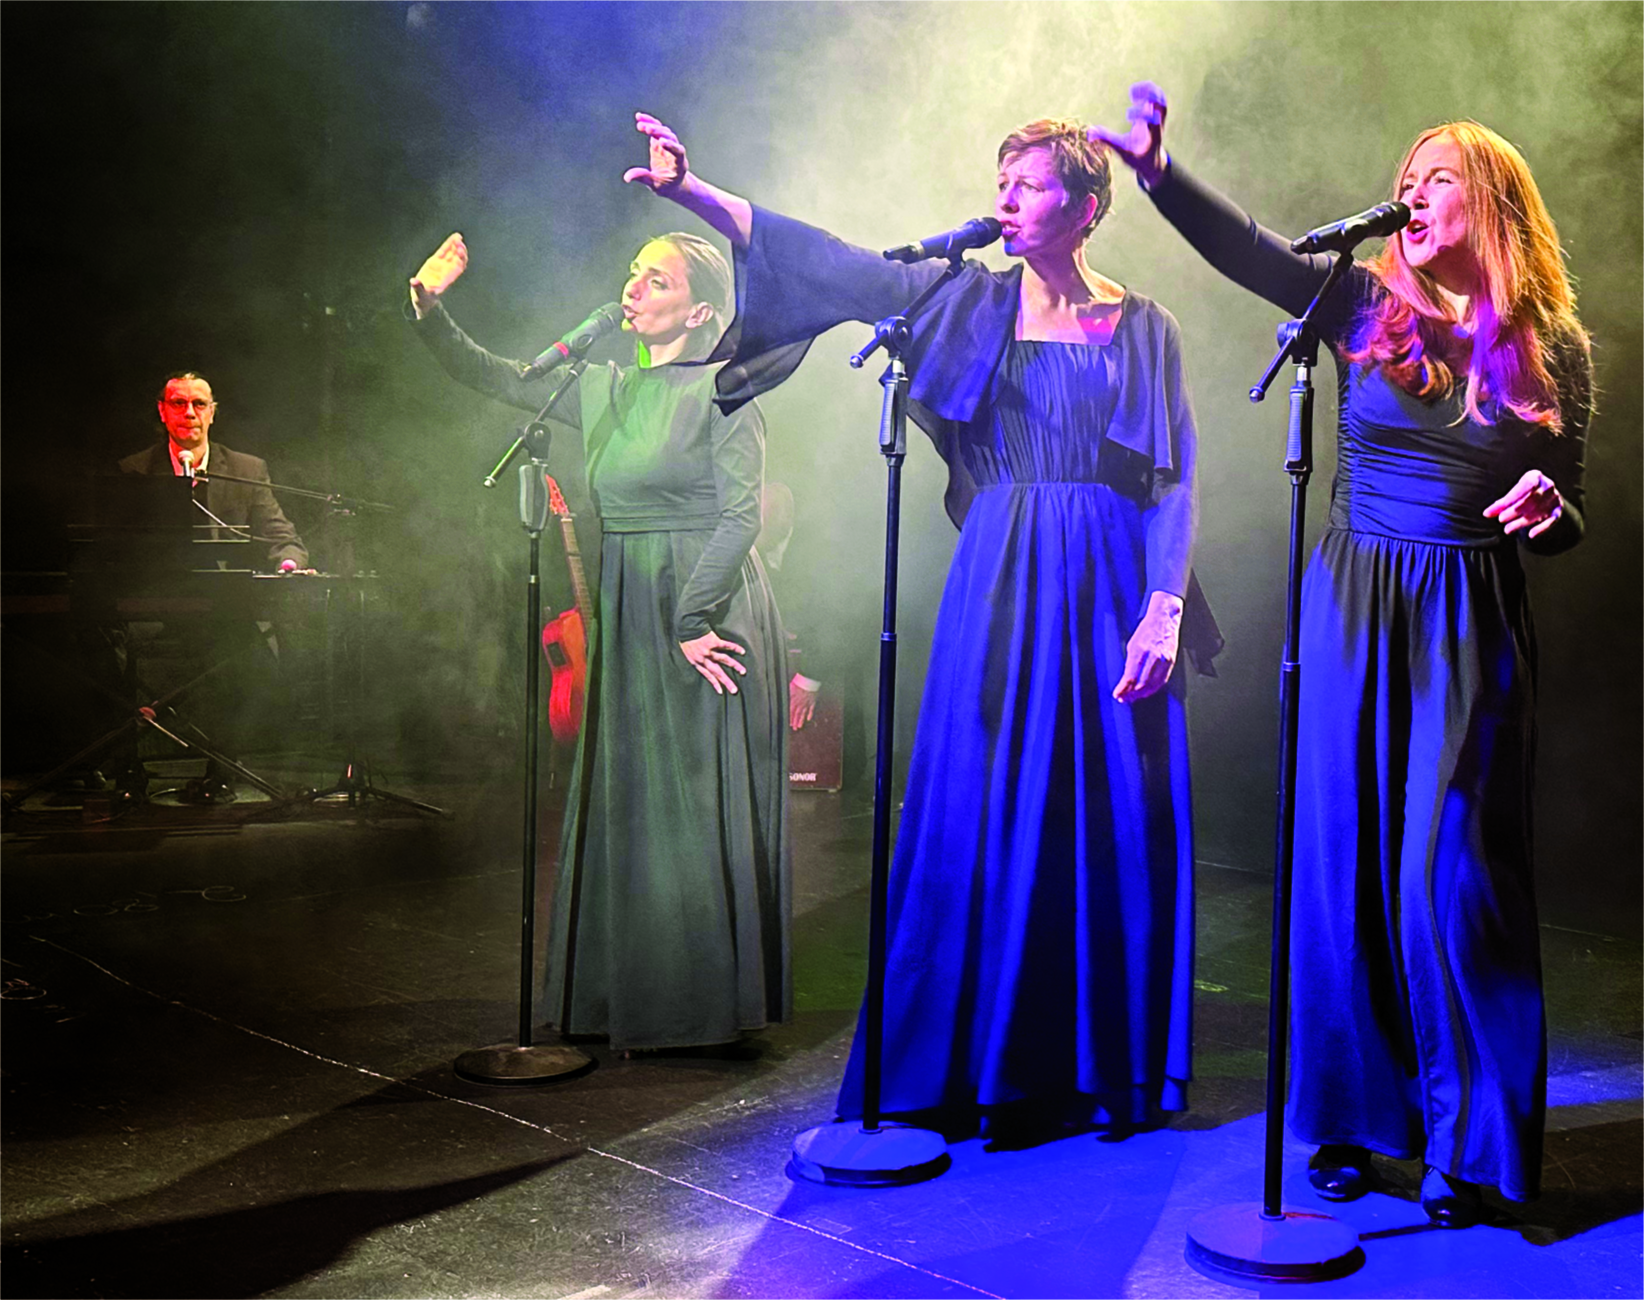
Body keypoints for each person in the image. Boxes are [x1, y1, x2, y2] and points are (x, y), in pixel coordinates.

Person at [630, 111, 1220, 1138]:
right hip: (1001, 579)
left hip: (1112, 587)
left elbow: (1173, 479)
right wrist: (695, 193)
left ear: (1085, 208)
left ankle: (1099, 1061)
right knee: (976, 807)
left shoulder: (1145, 326)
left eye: (1029, 185)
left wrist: (1162, 608)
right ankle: (970, 1058)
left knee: (1103, 816)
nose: (1005, 200)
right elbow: (833, 262)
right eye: (1001, 181)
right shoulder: (966, 300)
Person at [1094, 85, 1592, 1224]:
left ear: (1493, 202)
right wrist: (1161, 175)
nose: (1410, 191)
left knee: (1450, 874)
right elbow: (1253, 251)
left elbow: (1572, 509)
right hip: (1355, 600)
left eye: (1437, 177)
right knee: (1344, 858)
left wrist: (1547, 506)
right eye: (1405, 177)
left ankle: (1472, 1144)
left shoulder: (1550, 344)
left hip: (1468, 611)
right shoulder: (1364, 300)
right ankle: (1359, 1124)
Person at [406, 228, 790, 1051]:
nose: (634, 289)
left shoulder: (726, 390)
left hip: (702, 602)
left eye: (659, 281)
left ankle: (701, 1007)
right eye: (634, 274)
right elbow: (499, 376)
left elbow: (741, 516)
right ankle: (631, 996)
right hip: (628, 600)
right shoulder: (601, 387)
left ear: (701, 311)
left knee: (692, 806)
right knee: (635, 801)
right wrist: (430, 309)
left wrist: (691, 620)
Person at [120, 372, 309, 572]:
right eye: (178, 403)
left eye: (199, 404)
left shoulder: (247, 471)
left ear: (211, 413)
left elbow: (282, 539)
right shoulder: (134, 471)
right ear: (162, 411)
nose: (189, 413)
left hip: (229, 588)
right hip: (159, 587)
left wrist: (289, 563)